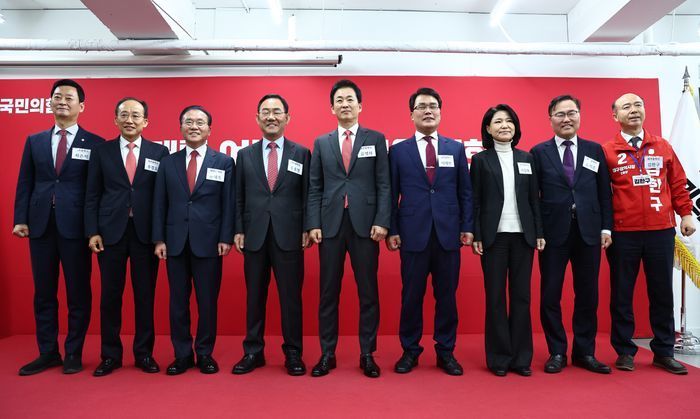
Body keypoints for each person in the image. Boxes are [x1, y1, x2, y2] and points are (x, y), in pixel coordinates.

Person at [13, 79, 104, 376]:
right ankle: (48, 352)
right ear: (50, 102)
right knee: (44, 292)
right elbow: (25, 181)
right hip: (40, 226)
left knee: (78, 293)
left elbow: (96, 191)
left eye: (68, 97)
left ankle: (73, 353)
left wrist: (93, 229)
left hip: (76, 228)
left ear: (81, 106)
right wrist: (20, 218)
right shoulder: (35, 141)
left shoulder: (95, 144)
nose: (62, 101)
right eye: (57, 97)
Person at [603, 93, 696, 375]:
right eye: (626, 107)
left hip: (661, 231)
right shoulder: (607, 151)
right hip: (623, 233)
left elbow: (678, 183)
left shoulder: (662, 146)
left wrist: (686, 213)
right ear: (615, 116)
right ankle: (624, 351)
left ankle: (664, 352)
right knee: (622, 294)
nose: (634, 110)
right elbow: (601, 195)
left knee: (662, 293)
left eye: (638, 105)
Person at [307, 79, 391, 378]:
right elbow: (315, 186)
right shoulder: (321, 142)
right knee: (328, 292)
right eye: (339, 100)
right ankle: (327, 353)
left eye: (349, 99)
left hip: (366, 226)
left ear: (360, 106)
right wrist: (313, 223)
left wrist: (382, 220)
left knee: (368, 292)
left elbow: (384, 183)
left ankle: (367, 354)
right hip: (330, 225)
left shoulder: (376, 139)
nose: (344, 104)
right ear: (332, 108)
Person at [387, 87, 473, 376]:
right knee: (411, 296)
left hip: (448, 234)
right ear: (411, 114)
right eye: (421, 106)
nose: (428, 111)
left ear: (440, 112)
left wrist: (467, 226)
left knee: (447, 297)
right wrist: (393, 229)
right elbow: (391, 194)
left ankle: (445, 351)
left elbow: (465, 192)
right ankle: (410, 350)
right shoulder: (398, 151)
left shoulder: (455, 148)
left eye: (433, 106)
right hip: (412, 233)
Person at [84, 97, 169, 376]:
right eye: (124, 115)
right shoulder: (102, 151)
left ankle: (144, 354)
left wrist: (160, 236)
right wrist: (92, 231)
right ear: (116, 119)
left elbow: (163, 198)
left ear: (146, 121)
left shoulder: (160, 152)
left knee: (145, 296)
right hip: (110, 233)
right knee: (110, 296)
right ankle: (110, 355)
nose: (129, 120)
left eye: (135, 115)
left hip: (145, 234)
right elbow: (92, 194)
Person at [530, 95, 613, 374]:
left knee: (588, 294)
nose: (566, 119)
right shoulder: (539, 152)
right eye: (560, 114)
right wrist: (538, 231)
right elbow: (533, 197)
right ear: (550, 119)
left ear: (579, 116)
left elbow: (604, 193)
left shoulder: (594, 150)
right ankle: (557, 351)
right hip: (553, 234)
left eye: (572, 113)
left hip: (589, 232)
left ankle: (584, 352)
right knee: (550, 294)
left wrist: (606, 227)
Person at [152, 105, 235, 375]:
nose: (194, 126)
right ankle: (182, 354)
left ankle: (205, 353)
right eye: (189, 122)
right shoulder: (168, 163)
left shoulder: (224, 162)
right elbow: (159, 203)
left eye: (200, 122)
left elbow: (228, 203)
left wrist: (226, 237)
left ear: (210, 129)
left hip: (209, 242)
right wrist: (159, 239)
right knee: (178, 302)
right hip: (174, 242)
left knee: (207, 302)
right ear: (181, 128)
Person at [232, 94, 311, 376]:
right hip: (254, 235)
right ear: (257, 118)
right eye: (265, 111)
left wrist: (307, 227)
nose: (271, 116)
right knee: (254, 297)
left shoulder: (302, 153)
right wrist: (238, 229)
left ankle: (293, 353)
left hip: (289, 235)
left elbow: (308, 195)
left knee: (291, 298)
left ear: (287, 118)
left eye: (277, 111)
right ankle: (253, 351)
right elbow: (238, 197)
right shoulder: (244, 155)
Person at [470, 104, 544, 377]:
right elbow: (475, 201)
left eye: (509, 121)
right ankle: (499, 358)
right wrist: (477, 234)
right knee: (496, 298)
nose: (504, 125)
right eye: (498, 121)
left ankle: (521, 358)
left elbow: (534, 199)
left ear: (516, 127)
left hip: (523, 237)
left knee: (522, 297)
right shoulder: (481, 160)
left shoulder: (527, 158)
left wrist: (539, 232)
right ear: (488, 129)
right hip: (494, 237)